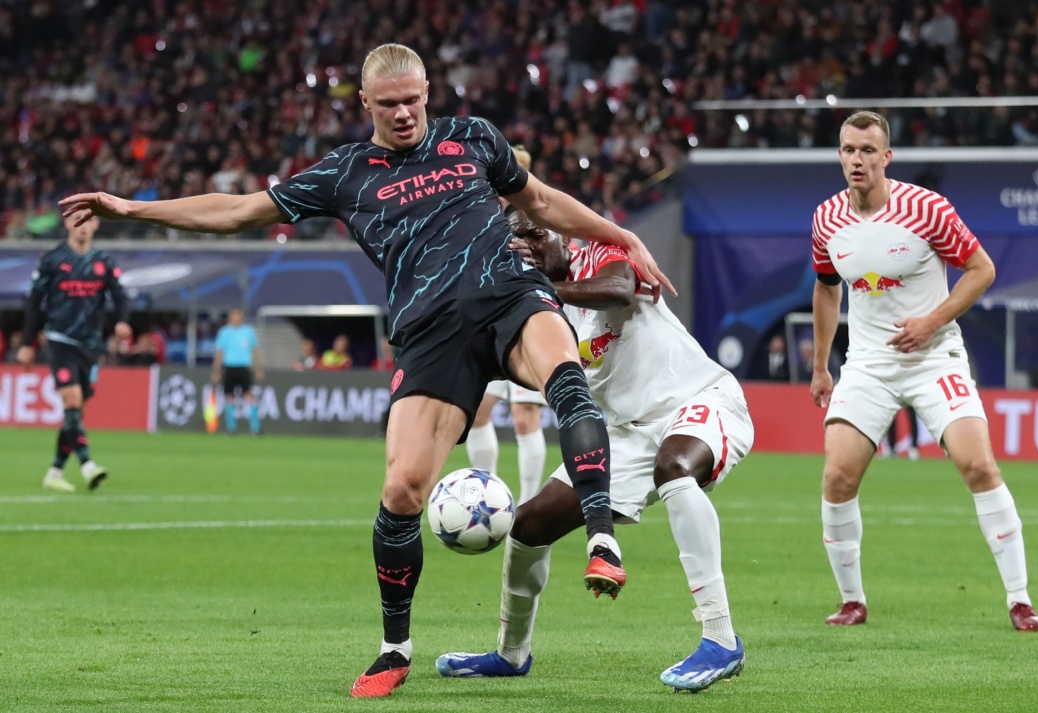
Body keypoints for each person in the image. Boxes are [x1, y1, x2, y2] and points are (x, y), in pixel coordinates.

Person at [60, 42, 673, 698]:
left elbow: (544, 200)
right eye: (389, 104)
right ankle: (394, 647)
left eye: (412, 99)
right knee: (403, 490)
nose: (404, 113)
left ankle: (601, 539)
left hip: (507, 292)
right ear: (364, 104)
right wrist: (129, 209)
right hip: (429, 334)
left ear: (429, 90)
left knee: (565, 376)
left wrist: (622, 235)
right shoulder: (345, 172)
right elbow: (237, 210)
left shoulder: (473, 139)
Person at [437, 210, 752, 692]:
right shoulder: (539, 323)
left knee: (674, 469)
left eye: (536, 235)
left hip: (699, 401)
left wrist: (542, 293)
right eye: (518, 244)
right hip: (625, 432)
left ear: (564, 234)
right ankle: (510, 652)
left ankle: (720, 637)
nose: (529, 247)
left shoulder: (604, 250)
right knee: (529, 523)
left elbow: (620, 290)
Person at [810, 110, 1038, 632]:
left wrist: (932, 321)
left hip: (934, 356)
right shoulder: (826, 219)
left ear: (886, 157)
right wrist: (822, 365)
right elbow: (827, 287)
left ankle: (1020, 599)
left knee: (979, 466)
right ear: (840, 155)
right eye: (849, 150)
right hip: (869, 363)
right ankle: (852, 601)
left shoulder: (925, 208)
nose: (857, 159)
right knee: (837, 475)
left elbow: (982, 269)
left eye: (868, 151)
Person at [17, 213, 130, 493]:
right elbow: (34, 301)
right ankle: (87, 465)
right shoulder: (53, 259)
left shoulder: (104, 261)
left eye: (87, 220)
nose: (82, 225)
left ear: (96, 225)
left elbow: (119, 295)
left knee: (75, 413)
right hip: (60, 339)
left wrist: (122, 321)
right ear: (67, 224)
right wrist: (27, 342)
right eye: (76, 220)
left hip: (91, 345)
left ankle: (54, 471)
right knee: (72, 400)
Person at [466, 143, 550, 506]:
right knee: (477, 412)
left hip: (530, 318)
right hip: (493, 321)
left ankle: (528, 504)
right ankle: (490, 494)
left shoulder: (534, 215)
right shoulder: (483, 212)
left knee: (523, 416)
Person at [211, 308, 264, 436]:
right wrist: (216, 372)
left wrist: (258, 368)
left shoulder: (249, 332)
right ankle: (231, 427)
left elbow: (255, 351)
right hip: (229, 367)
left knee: (249, 395)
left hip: (244, 367)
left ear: (242, 317)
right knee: (229, 396)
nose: (236, 319)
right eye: (234, 317)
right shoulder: (224, 332)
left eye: (238, 316)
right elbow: (219, 353)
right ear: (230, 318)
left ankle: (255, 427)